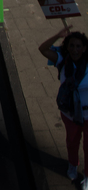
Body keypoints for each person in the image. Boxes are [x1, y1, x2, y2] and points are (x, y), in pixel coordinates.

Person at [39, 26, 88, 184]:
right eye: (71, 46)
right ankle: (73, 165)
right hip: (70, 114)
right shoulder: (62, 60)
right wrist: (58, 35)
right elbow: (43, 49)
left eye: (78, 46)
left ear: (84, 48)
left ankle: (87, 176)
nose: (75, 50)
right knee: (72, 142)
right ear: (67, 47)